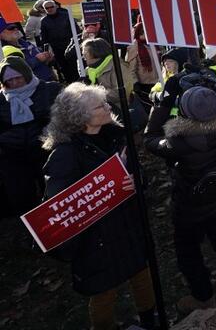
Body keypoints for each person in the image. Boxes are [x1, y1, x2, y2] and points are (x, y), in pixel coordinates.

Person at [41, 83, 155, 330]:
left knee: (142, 275)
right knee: (104, 291)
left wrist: (136, 182)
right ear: (81, 117)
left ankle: (149, 319)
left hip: (128, 225)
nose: (108, 107)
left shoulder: (116, 137)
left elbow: (139, 173)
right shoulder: (65, 155)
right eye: (100, 105)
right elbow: (59, 206)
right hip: (97, 240)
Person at [145, 85, 216, 313]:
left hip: (189, 205)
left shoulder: (180, 142)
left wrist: (163, 103)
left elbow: (150, 138)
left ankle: (203, 298)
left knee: (187, 251)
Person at [0, 56, 61, 216]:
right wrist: (7, 139)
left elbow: (61, 117)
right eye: (9, 80)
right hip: (13, 156)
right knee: (22, 197)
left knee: (53, 190)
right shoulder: (1, 100)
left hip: (46, 149)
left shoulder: (49, 90)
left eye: (17, 78)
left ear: (26, 74)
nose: (14, 83)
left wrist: (48, 132)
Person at [81, 38, 134, 113]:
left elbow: (122, 92)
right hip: (99, 110)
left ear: (96, 53)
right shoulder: (89, 70)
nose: (84, 58)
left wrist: (94, 95)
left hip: (120, 111)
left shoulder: (118, 66)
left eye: (85, 54)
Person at [0, 16, 54, 81]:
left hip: (48, 79)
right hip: (34, 86)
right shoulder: (3, 52)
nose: (16, 29)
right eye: (11, 28)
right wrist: (37, 59)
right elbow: (16, 70)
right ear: (1, 34)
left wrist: (47, 58)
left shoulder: (25, 43)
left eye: (16, 27)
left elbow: (40, 56)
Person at [40, 0, 80, 83]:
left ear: (56, 7)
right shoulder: (44, 21)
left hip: (70, 44)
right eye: (47, 8)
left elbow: (76, 29)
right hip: (56, 47)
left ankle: (77, 80)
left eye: (51, 7)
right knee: (62, 66)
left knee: (74, 64)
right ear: (44, 9)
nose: (50, 9)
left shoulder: (66, 16)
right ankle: (69, 82)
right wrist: (46, 50)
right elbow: (44, 37)